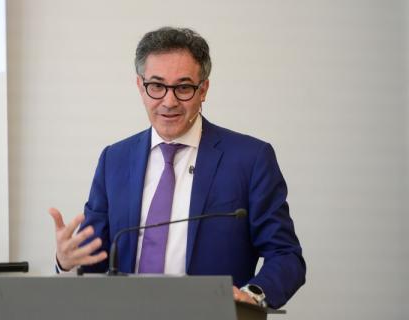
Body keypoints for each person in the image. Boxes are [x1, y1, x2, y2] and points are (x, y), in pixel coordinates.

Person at [49, 26, 305, 309]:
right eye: (157, 86)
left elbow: (286, 254)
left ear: (203, 89)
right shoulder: (114, 160)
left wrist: (252, 294)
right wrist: (67, 262)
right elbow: (95, 262)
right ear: (139, 86)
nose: (169, 101)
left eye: (183, 87)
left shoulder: (250, 159)